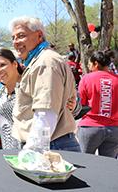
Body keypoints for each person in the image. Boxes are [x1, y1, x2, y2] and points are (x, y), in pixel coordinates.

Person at [10, 16, 80, 152]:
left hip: (50, 147)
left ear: (39, 36)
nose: (15, 42)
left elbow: (45, 114)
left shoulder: (45, 62)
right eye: (13, 38)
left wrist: (31, 152)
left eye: (21, 36)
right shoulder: (39, 61)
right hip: (51, 144)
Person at [77, 51, 118, 158]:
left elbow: (81, 103)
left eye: (90, 64)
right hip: (114, 128)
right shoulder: (116, 79)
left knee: (85, 163)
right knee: (108, 166)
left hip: (90, 127)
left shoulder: (86, 79)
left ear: (96, 63)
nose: (88, 66)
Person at [0, 49, 23, 150]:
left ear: (14, 64)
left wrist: (72, 106)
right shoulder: (1, 92)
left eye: (2, 65)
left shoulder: (28, 87)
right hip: (8, 154)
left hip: (28, 155)